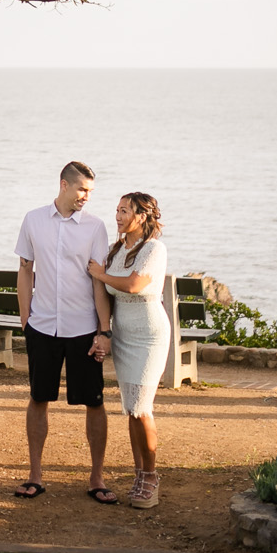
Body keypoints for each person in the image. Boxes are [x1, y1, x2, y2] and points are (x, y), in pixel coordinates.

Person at [13, 160, 117, 503]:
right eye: (82, 189)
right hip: (42, 327)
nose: (86, 197)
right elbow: (26, 269)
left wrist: (104, 331)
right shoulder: (33, 220)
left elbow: (98, 281)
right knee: (39, 398)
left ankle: (97, 477)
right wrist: (26, 318)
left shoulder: (95, 228)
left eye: (90, 191)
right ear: (64, 185)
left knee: (94, 402)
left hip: (83, 329)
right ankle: (35, 475)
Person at [88, 191, 168, 508]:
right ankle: (139, 473)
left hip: (149, 336)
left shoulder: (154, 249)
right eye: (117, 210)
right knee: (132, 409)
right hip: (122, 336)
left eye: (125, 211)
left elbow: (135, 285)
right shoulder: (118, 250)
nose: (118, 216)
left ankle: (151, 476)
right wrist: (103, 331)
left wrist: (100, 273)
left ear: (142, 216)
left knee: (142, 407)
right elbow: (106, 293)